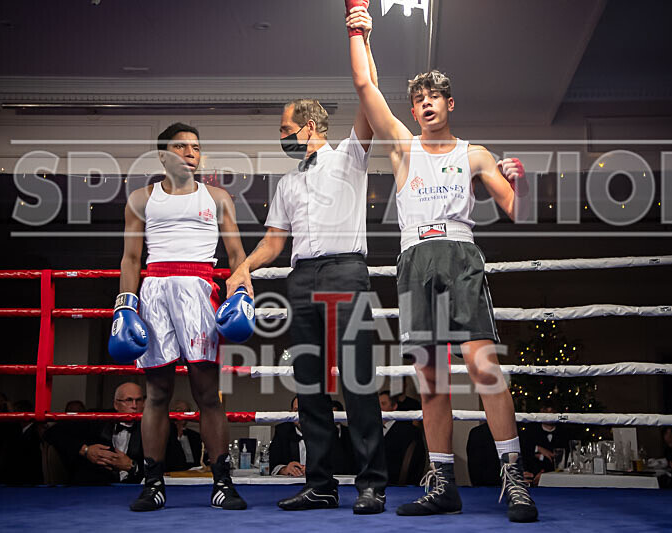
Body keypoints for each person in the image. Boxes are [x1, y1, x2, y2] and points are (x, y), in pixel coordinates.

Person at [346, 6, 537, 521]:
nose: (424, 104)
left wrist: (518, 178)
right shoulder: (403, 148)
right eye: (417, 99)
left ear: (449, 103)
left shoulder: (475, 153)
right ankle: (442, 484)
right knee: (430, 380)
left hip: (459, 256)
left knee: (484, 368)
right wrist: (358, 28)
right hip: (414, 259)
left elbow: (516, 210)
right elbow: (365, 86)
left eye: (432, 97)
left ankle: (513, 478)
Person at [226, 22, 388, 515]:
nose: (281, 136)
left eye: (284, 128)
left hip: (346, 273)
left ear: (310, 126)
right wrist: (241, 269)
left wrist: (362, 37)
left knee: (357, 381)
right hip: (300, 281)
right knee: (309, 384)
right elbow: (275, 241)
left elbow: (370, 95)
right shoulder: (287, 185)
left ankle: (372, 483)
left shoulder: (349, 157)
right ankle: (320, 482)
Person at [116, 123, 248, 511]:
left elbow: (237, 254)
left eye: (195, 147)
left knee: (208, 392)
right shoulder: (142, 198)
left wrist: (241, 289)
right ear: (163, 155)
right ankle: (152, 482)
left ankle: (222, 482)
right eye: (181, 146)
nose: (191, 152)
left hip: (199, 289)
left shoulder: (218, 197)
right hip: (155, 290)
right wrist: (125, 304)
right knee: (156, 392)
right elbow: (130, 258)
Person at [43, 383, 172, 485]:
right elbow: (53, 432)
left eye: (138, 401)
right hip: (93, 489)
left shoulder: (154, 426)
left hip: (135, 490)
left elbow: (174, 465)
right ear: (116, 404)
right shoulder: (97, 418)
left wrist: (134, 467)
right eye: (128, 400)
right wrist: (86, 450)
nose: (134, 406)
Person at [379, 391, 425, 485]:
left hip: (397, 486)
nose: (379, 407)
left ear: (394, 406)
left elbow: (416, 460)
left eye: (383, 404)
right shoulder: (370, 430)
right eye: (377, 404)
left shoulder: (408, 432)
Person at [520, 402, 570, 486]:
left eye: (552, 413)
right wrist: (537, 448)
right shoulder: (530, 431)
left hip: (556, 480)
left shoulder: (564, 434)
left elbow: (562, 462)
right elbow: (524, 452)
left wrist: (545, 475)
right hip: (531, 480)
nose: (549, 415)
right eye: (545, 412)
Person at [171, 400, 202, 469]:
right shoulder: (166, 434)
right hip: (174, 471)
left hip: (194, 472)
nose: (184, 414)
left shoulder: (196, 436)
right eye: (179, 411)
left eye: (187, 411)